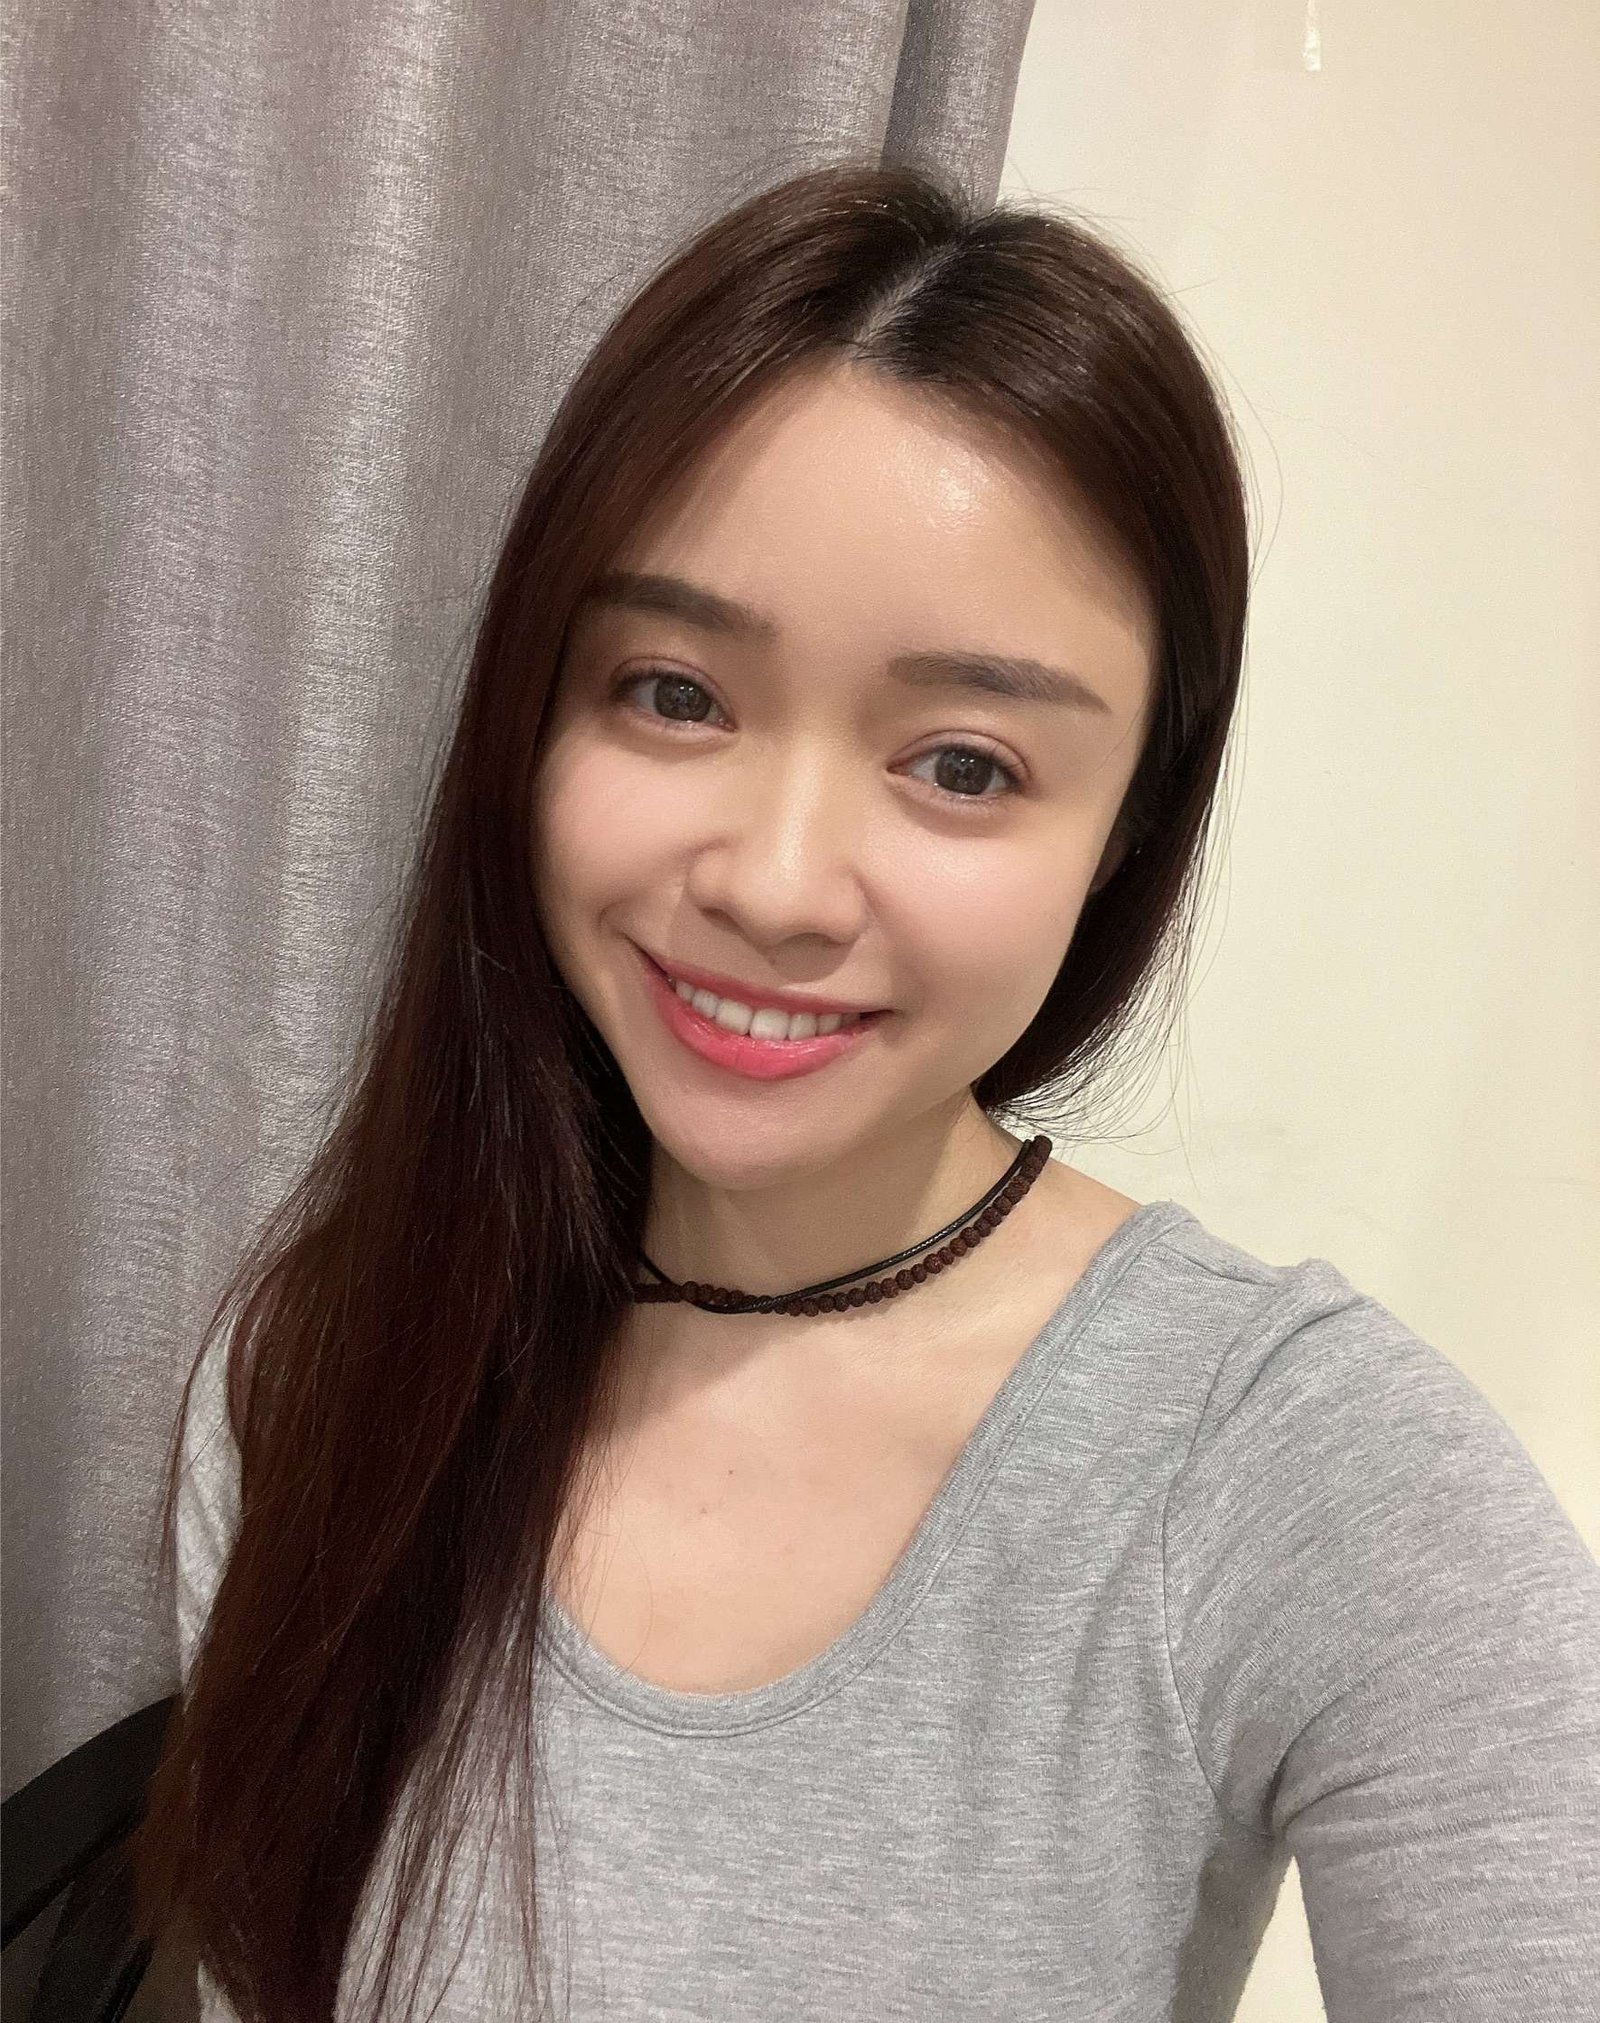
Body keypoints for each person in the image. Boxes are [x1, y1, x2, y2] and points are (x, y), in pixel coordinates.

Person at [133, 159, 1600, 2022]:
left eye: (963, 765)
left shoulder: (1300, 1474)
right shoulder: (329, 1358)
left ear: (1125, 828)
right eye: (675, 693)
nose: (774, 884)